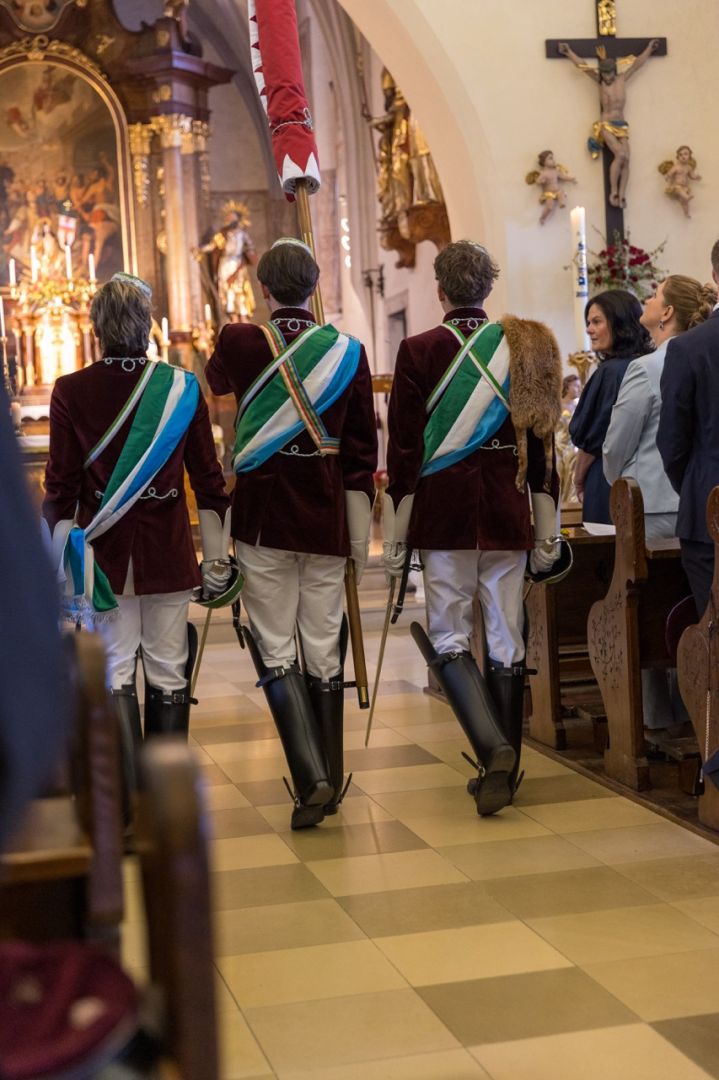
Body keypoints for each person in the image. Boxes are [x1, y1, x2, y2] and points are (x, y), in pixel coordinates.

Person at [383, 240, 562, 816]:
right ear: (487, 289)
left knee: (450, 635)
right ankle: (504, 771)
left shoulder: (417, 350)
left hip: (444, 517)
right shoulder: (524, 344)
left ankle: (493, 753)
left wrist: (396, 532)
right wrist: (548, 530)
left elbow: (404, 452)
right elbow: (543, 448)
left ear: (439, 289)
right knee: (508, 637)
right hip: (509, 512)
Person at [206, 238, 377, 830]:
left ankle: (311, 780)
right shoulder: (347, 351)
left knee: (276, 644)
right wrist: (360, 538)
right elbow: (361, 453)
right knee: (324, 643)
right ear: (315, 286)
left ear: (263, 288)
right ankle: (330, 774)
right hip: (326, 514)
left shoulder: (239, 339)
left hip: (264, 516)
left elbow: (216, 381)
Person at [42, 272, 231, 751]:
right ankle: (164, 788)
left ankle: (126, 792)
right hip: (168, 549)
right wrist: (216, 560)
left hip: (104, 558)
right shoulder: (182, 386)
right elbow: (209, 482)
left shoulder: (71, 389)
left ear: (96, 328)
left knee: (115, 669)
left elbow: (60, 490)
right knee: (169, 668)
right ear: (147, 325)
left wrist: (56, 568)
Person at [604, 275, 715, 731]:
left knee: (654, 609)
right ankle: (690, 714)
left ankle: (660, 718)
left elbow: (630, 443)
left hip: (663, 505)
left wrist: (685, 486)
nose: (647, 300)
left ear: (668, 311)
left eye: (654, 295)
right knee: (684, 606)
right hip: (690, 502)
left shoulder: (658, 362)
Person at [658, 240, 719, 616]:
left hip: (708, 510)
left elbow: (672, 441)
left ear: (714, 275)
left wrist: (696, 485)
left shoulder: (689, 348)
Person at [569, 289, 653, 524]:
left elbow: (593, 438)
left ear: (620, 323)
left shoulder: (611, 372)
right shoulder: (646, 364)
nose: (589, 329)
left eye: (597, 322)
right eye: (588, 322)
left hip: (606, 479)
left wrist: (578, 478)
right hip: (644, 480)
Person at [557, 39, 660, 208]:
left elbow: (637, 64)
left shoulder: (622, 79)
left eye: (609, 73)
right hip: (606, 124)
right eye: (604, 74)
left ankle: (622, 194)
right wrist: (569, 52)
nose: (607, 77)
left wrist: (649, 49)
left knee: (627, 159)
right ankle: (613, 191)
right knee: (620, 154)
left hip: (621, 124)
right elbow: (583, 66)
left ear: (614, 71)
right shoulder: (600, 82)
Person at [526, 151, 576, 225]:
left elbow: (563, 177)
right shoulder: (543, 173)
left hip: (558, 191)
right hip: (549, 193)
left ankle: (562, 203)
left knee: (561, 192)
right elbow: (538, 181)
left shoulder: (555, 171)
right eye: (550, 158)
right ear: (544, 162)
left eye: (552, 158)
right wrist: (541, 181)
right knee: (549, 207)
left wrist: (571, 179)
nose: (553, 160)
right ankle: (542, 218)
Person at [659, 146, 702, 219]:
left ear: (689, 156)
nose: (683, 156)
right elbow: (670, 173)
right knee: (679, 189)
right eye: (680, 154)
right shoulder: (676, 167)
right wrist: (667, 177)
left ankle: (686, 213)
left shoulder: (688, 167)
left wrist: (696, 177)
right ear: (678, 157)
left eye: (685, 154)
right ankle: (687, 197)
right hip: (676, 186)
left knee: (684, 202)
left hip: (684, 187)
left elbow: (692, 176)